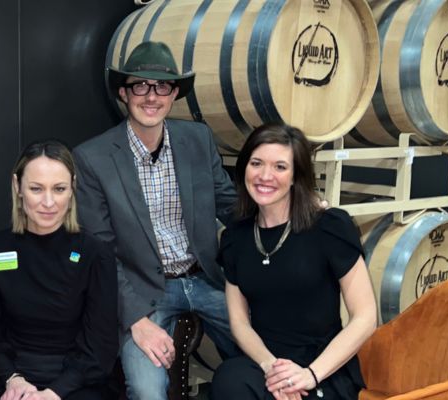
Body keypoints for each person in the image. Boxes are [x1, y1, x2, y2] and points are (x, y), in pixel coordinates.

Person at [72, 41, 237, 400]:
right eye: (140, 85)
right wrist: (135, 319)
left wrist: (294, 207)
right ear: (123, 92)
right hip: (144, 292)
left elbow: (231, 206)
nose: (151, 95)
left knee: (265, 359)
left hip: (207, 279)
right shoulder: (92, 158)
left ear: (174, 92)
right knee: (147, 392)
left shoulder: (198, 139)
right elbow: (99, 252)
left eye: (162, 86)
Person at [211, 123, 378, 400]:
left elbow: (365, 317)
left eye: (280, 167)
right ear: (244, 169)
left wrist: (308, 375)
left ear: (295, 176)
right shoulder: (235, 238)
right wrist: (271, 369)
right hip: (266, 362)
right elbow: (240, 323)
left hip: (323, 365)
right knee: (229, 381)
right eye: (256, 163)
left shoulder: (329, 227)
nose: (265, 176)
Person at [0, 140, 118, 400]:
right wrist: (12, 379)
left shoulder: (95, 253)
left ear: (72, 188)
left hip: (78, 382)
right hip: (17, 381)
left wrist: (52, 394)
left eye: (59, 189)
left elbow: (101, 348)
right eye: (36, 189)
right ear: (18, 187)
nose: (48, 202)